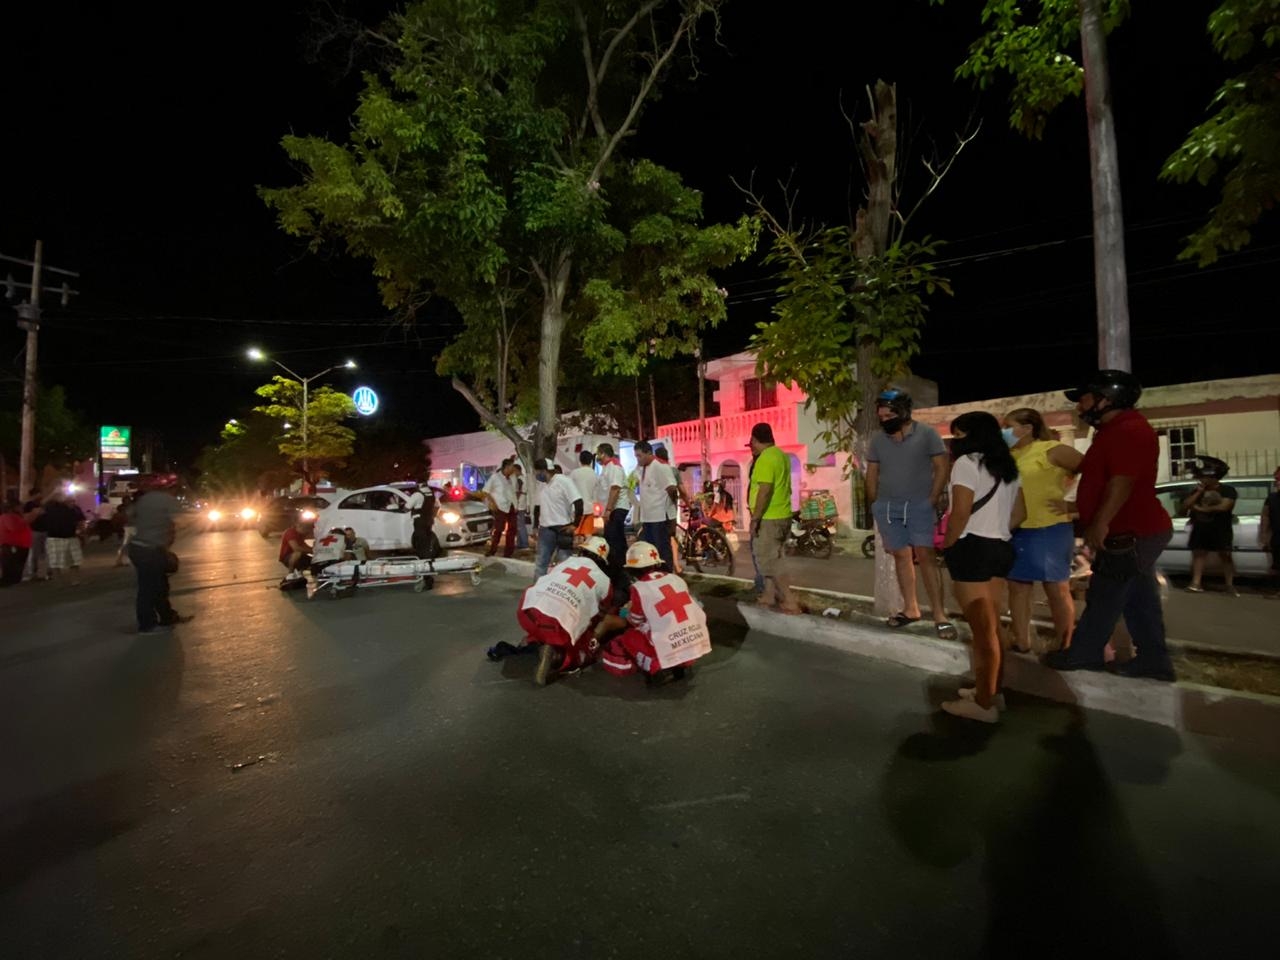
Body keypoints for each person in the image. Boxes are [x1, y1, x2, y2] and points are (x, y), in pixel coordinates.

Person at [1044, 370, 1175, 681]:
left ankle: (1084, 655)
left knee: (1105, 594)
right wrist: (1080, 508)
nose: (1079, 407)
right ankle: (1155, 661)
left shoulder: (1128, 430)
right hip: (1130, 529)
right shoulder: (1114, 431)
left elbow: (1122, 482)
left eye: (1085, 399)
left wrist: (1099, 524)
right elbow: (1102, 482)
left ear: (1107, 398)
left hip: (1130, 531)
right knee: (1140, 600)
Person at [939, 412, 1026, 723]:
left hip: (972, 547)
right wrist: (996, 529)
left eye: (959, 434)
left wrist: (949, 544)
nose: (954, 441)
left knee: (982, 630)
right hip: (1000, 547)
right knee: (993, 626)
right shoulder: (1009, 468)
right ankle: (990, 691)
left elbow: (960, 511)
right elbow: (1020, 514)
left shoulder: (966, 464)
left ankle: (983, 704)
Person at [866, 388, 953, 638]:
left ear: (903, 412)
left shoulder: (927, 434)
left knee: (926, 557)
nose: (884, 421)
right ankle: (911, 609)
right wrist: (875, 504)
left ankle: (939, 614)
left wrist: (932, 499)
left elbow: (941, 466)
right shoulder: (878, 440)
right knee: (901, 557)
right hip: (888, 507)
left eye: (888, 416)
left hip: (918, 506)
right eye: (880, 417)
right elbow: (872, 472)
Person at [1002, 407, 1084, 652]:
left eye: (1008, 426)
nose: (1003, 432)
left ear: (1027, 428)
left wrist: (1074, 504)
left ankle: (1065, 643)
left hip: (1049, 527)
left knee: (1055, 588)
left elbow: (1096, 473)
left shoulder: (1052, 450)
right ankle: (1021, 639)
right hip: (1016, 528)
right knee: (1017, 587)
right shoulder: (1009, 456)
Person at [595, 540, 712, 684]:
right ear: (657, 563)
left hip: (670, 645)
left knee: (630, 637)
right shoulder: (675, 579)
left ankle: (656, 667)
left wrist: (626, 612)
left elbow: (635, 621)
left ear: (631, 570)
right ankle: (680, 663)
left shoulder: (639, 588)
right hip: (694, 641)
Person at [518, 536, 618, 685]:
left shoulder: (566, 562)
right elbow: (599, 617)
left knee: (541, 603)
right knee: (585, 650)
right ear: (603, 561)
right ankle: (557, 656)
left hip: (528, 613)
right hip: (560, 628)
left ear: (582, 550)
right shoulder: (604, 582)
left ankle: (534, 639)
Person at [746, 422, 800, 613]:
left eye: (751, 441)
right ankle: (769, 595)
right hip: (783, 515)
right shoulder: (781, 456)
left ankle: (790, 600)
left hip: (769, 517)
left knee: (772, 560)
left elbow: (765, 490)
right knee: (771, 557)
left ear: (754, 439)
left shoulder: (765, 459)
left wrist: (755, 518)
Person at [128, 477, 190, 633]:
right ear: (171, 488)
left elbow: (129, 515)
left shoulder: (144, 500)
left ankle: (167, 617)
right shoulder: (168, 500)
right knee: (150, 588)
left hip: (138, 547)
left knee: (159, 585)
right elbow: (182, 522)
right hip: (151, 549)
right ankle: (147, 624)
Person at [1182, 456, 1238, 595]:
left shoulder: (1228, 490)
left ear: (1212, 478)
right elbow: (1186, 505)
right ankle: (1196, 583)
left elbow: (1225, 506)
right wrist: (1199, 493)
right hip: (1200, 528)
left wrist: (1200, 509)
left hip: (1220, 528)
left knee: (1225, 555)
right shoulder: (1197, 490)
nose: (1201, 479)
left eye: (1203, 477)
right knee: (1199, 554)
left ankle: (1229, 585)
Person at [632, 440, 679, 572]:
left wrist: (672, 513)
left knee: (663, 550)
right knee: (650, 551)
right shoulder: (641, 469)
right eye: (636, 456)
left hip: (659, 518)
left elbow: (672, 490)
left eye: (639, 455)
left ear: (649, 453)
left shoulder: (660, 467)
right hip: (647, 518)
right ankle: (655, 575)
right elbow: (630, 482)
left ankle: (667, 575)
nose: (638, 459)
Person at [533, 458, 583, 579]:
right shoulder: (542, 485)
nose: (536, 475)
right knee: (541, 563)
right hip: (545, 530)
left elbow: (578, 502)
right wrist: (535, 526)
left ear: (544, 471)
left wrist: (575, 524)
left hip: (563, 529)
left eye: (537, 472)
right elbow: (537, 507)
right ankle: (538, 590)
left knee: (565, 564)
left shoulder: (564, 481)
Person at [594, 443, 632, 579]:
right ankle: (619, 568)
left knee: (614, 540)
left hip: (617, 508)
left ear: (603, 453)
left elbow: (614, 489)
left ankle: (619, 570)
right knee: (614, 539)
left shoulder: (615, 467)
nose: (597, 457)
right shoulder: (607, 467)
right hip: (612, 509)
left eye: (598, 453)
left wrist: (609, 510)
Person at [41, 489, 85, 586]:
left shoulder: (74, 508)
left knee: (74, 559)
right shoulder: (51, 506)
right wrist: (53, 492)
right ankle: (58, 581)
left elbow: (81, 521)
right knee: (55, 561)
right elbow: (42, 504)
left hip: (71, 536)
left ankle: (75, 580)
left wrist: (81, 532)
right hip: (54, 537)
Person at [482, 459, 522, 558]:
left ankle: (508, 552)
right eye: (512, 467)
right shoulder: (495, 477)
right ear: (506, 467)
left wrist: (516, 505)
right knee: (499, 529)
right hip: (500, 506)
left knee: (512, 529)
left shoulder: (512, 478)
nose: (513, 469)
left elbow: (514, 492)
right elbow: (486, 491)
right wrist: (492, 503)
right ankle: (493, 550)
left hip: (511, 506)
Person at [0, 498, 32, 586]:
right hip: (13, 545)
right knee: (11, 563)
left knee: (17, 563)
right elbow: (13, 528)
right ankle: (9, 581)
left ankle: (14, 580)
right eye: (19, 507)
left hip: (20, 544)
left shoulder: (16, 516)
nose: (21, 508)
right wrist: (25, 521)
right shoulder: (8, 516)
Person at [569, 450, 600, 539]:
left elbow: (569, 491)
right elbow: (596, 495)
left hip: (576, 508)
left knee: (575, 532)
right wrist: (597, 513)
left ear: (580, 460)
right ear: (591, 461)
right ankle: (589, 550)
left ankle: (575, 552)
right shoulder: (595, 475)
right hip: (590, 508)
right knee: (588, 533)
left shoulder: (574, 473)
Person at [22, 487, 49, 582]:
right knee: (35, 553)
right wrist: (36, 513)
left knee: (45, 553)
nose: (41, 495)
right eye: (39, 493)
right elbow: (27, 518)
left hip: (45, 530)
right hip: (35, 531)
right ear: (34, 494)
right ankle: (33, 572)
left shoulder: (43, 504)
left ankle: (45, 572)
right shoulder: (29, 505)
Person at [1261, 465, 1280, 599]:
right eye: (1276, 479)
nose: (1276, 482)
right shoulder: (1272, 498)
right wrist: (1264, 535)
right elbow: (1265, 515)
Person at [114, 493, 137, 566]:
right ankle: (121, 560)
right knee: (125, 544)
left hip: (132, 526)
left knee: (127, 544)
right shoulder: (123, 508)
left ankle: (124, 560)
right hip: (128, 527)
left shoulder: (132, 507)